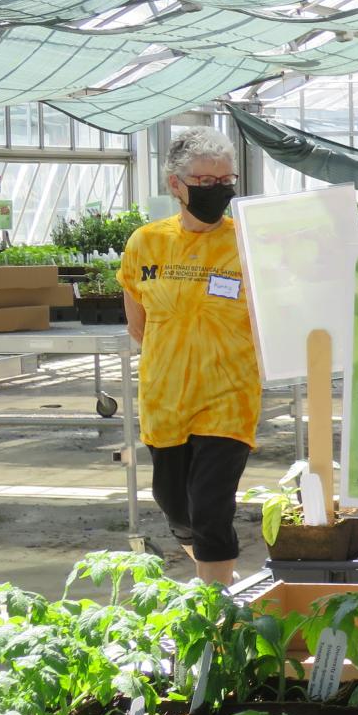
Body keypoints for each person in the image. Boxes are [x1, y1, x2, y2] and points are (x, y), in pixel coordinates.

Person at [119, 128, 261, 585]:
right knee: (174, 505)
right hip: (166, 398)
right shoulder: (146, 242)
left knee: (210, 504)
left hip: (229, 397)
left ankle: (216, 612)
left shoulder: (248, 243)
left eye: (227, 179)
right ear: (175, 185)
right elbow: (138, 325)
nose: (218, 189)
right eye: (205, 181)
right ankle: (212, 574)